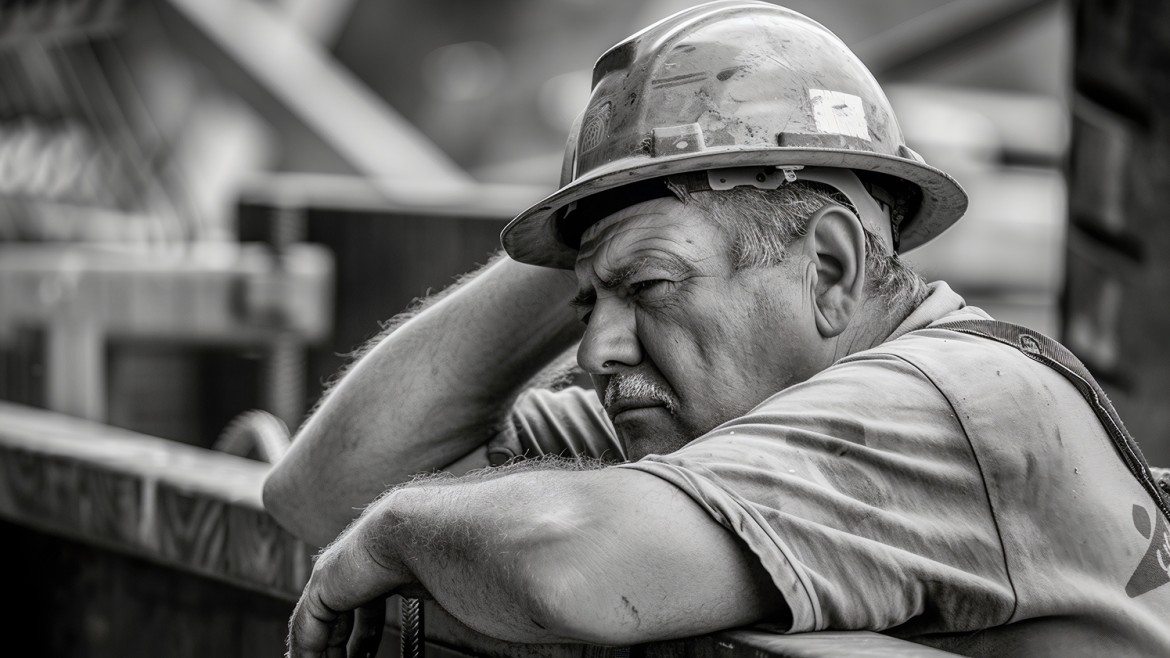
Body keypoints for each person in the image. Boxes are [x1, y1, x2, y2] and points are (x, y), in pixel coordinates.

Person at [268, 2, 1170, 656]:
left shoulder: (960, 405)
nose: (596, 350)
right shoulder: (727, 425)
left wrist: (393, 533)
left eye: (651, 286)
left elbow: (576, 565)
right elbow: (326, 492)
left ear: (829, 270)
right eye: (588, 304)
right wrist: (602, 223)